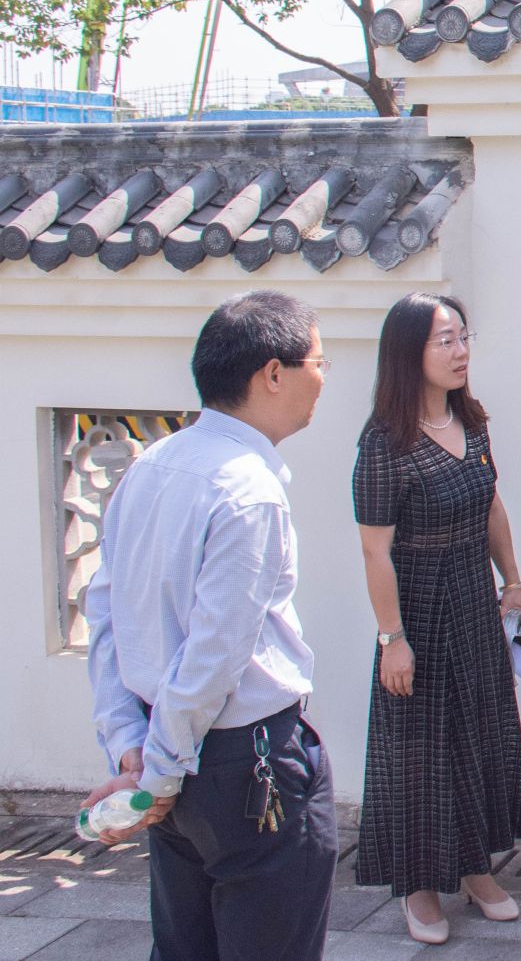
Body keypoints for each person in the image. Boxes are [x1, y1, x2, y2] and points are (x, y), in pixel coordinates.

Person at [80, 290, 337, 961]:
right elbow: (216, 652)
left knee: (185, 945)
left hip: (168, 745)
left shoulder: (152, 464)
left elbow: (104, 612)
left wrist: (132, 746)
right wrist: (159, 771)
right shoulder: (247, 490)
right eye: (318, 361)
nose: (323, 378)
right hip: (240, 759)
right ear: (273, 373)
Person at [353, 292, 521, 944]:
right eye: (445, 340)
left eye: (463, 337)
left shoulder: (471, 421)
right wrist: (392, 639)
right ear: (409, 353)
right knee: (419, 750)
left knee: (479, 734)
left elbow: (491, 504)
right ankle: (420, 888)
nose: (460, 352)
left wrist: (513, 581)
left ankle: (475, 869)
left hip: (473, 599)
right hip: (419, 612)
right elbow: (375, 550)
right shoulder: (385, 443)